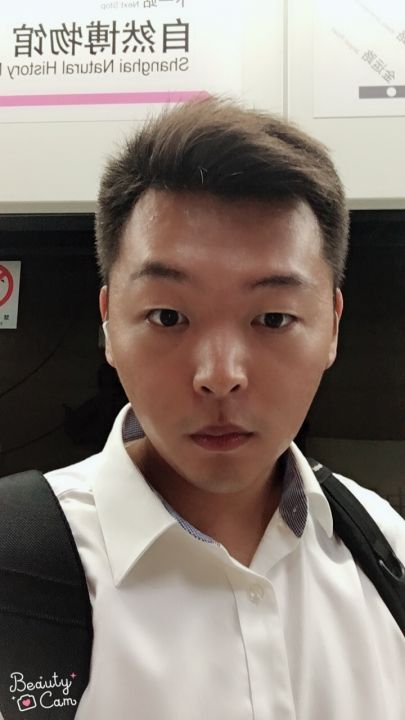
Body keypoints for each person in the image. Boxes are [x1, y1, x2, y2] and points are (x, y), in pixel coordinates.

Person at [6, 98, 405, 719]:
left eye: (274, 318)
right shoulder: (16, 567)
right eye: (168, 316)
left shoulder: (385, 551)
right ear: (108, 321)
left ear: (332, 325)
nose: (220, 376)